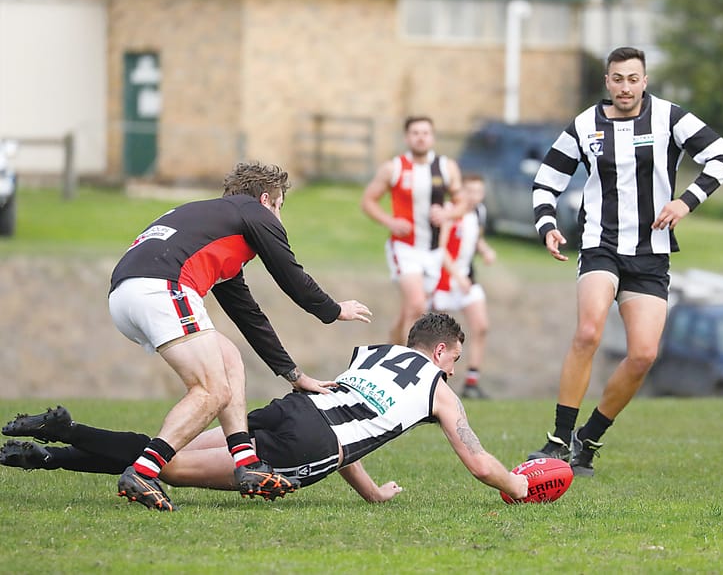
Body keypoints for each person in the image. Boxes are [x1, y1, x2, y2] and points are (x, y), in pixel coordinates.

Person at [1, 313, 529, 504]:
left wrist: (371, 492)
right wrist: (522, 486)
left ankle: (53, 450)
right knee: (175, 469)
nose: (454, 370)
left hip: (292, 410)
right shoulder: (439, 389)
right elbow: (481, 464)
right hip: (310, 443)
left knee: (162, 453)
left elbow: (346, 415)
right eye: (454, 360)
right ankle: (65, 431)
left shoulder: (373, 354)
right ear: (440, 351)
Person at [107, 161, 373, 511]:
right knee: (211, 391)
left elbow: (248, 315)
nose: (279, 218)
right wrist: (333, 309)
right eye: (279, 208)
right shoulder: (254, 212)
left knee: (228, 358)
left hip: (126, 295)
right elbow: (289, 273)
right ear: (266, 200)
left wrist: (294, 374)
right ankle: (144, 470)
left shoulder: (218, 227)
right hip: (162, 289)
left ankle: (247, 465)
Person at [527, 46, 723, 476]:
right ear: (607, 82)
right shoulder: (586, 124)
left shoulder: (669, 117)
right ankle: (556, 440)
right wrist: (546, 225)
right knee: (589, 331)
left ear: (645, 80)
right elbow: (546, 181)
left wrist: (686, 202)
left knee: (643, 354)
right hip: (599, 243)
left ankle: (588, 438)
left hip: (651, 252)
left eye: (633, 79)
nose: (625, 87)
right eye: (617, 79)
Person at [361, 116, 465, 345]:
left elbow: (462, 203)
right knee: (418, 306)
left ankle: (391, 348)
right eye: (415, 133)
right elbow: (368, 201)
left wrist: (447, 214)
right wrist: (390, 222)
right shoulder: (394, 167)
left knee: (411, 310)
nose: (420, 137)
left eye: (425, 133)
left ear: (433, 137)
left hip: (434, 250)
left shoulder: (447, 167)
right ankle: (410, 365)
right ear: (407, 138)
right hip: (405, 246)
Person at [431, 174, 496, 399]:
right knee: (439, 334)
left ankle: (471, 382)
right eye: (468, 191)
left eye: (478, 192)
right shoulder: (450, 211)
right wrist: (458, 276)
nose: (473, 196)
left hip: (467, 279)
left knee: (481, 326)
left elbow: (474, 237)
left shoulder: (479, 212)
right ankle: (435, 382)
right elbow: (441, 249)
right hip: (445, 281)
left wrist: (485, 250)